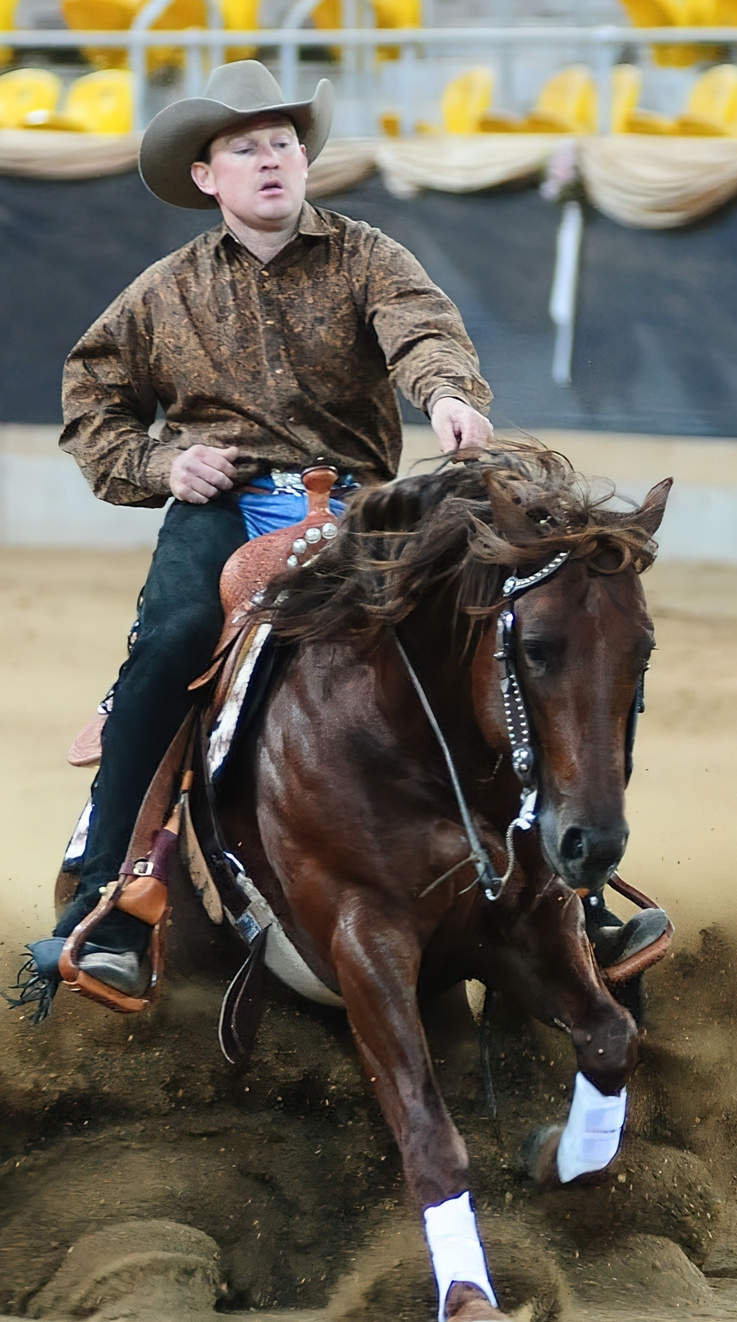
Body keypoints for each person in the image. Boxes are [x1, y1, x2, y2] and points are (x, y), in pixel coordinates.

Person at [27, 60, 497, 999]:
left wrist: (446, 395)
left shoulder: (370, 256)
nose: (272, 160)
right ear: (208, 178)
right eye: (246, 148)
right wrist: (163, 465)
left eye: (283, 142)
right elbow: (92, 403)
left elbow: (424, 333)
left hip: (362, 502)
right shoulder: (165, 292)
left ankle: (556, 877)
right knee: (169, 642)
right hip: (223, 503)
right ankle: (108, 893)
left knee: (486, 626)